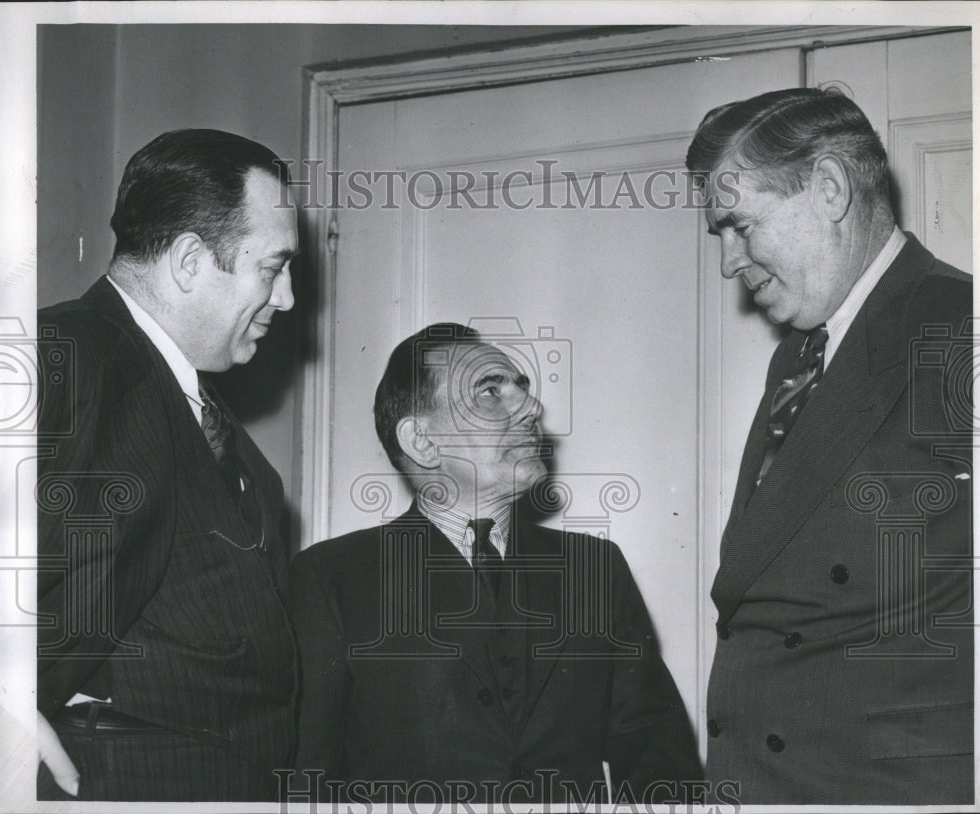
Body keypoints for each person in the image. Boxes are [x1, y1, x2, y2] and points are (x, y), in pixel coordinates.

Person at [687, 88, 973, 803]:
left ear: (829, 189)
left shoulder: (964, 328)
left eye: (740, 226)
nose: (729, 262)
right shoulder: (798, 358)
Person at [289, 323, 702, 805]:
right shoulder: (330, 579)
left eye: (522, 389)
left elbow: (660, 760)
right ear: (422, 440)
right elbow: (306, 783)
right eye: (490, 391)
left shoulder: (596, 568)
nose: (532, 408)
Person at [36, 129, 299, 801]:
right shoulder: (60, 352)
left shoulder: (227, 438)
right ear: (188, 260)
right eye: (272, 268)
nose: (288, 298)